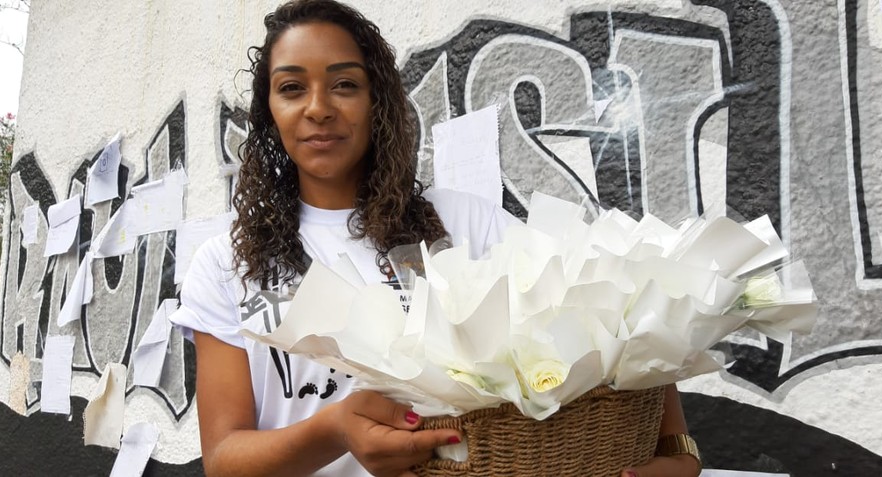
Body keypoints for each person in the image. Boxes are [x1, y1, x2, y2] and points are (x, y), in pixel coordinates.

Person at [171, 1, 701, 476]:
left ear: (378, 102)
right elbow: (224, 460)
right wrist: (335, 431)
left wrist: (676, 450)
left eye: (345, 84)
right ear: (270, 113)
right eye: (291, 88)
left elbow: (611, 308)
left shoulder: (465, 224)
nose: (318, 108)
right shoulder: (226, 265)